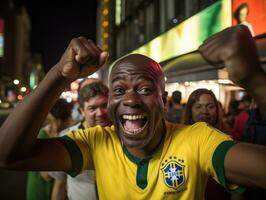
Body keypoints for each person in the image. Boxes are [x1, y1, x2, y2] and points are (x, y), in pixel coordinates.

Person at [0, 26, 266, 199]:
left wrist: (255, 80)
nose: (130, 99)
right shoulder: (96, 142)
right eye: (118, 90)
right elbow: (8, 155)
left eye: (144, 89)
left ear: (163, 100)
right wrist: (59, 75)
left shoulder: (197, 141)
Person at [49, 79, 110, 200]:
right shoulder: (68, 138)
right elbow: (59, 184)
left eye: (105, 105)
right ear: (82, 110)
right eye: (92, 108)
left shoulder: (123, 135)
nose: (100, 113)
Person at [26, 98, 72, 200]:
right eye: (61, 122)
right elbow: (46, 175)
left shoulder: (66, 133)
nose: (67, 124)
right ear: (52, 119)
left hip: (57, 190)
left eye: (67, 121)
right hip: (40, 189)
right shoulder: (41, 136)